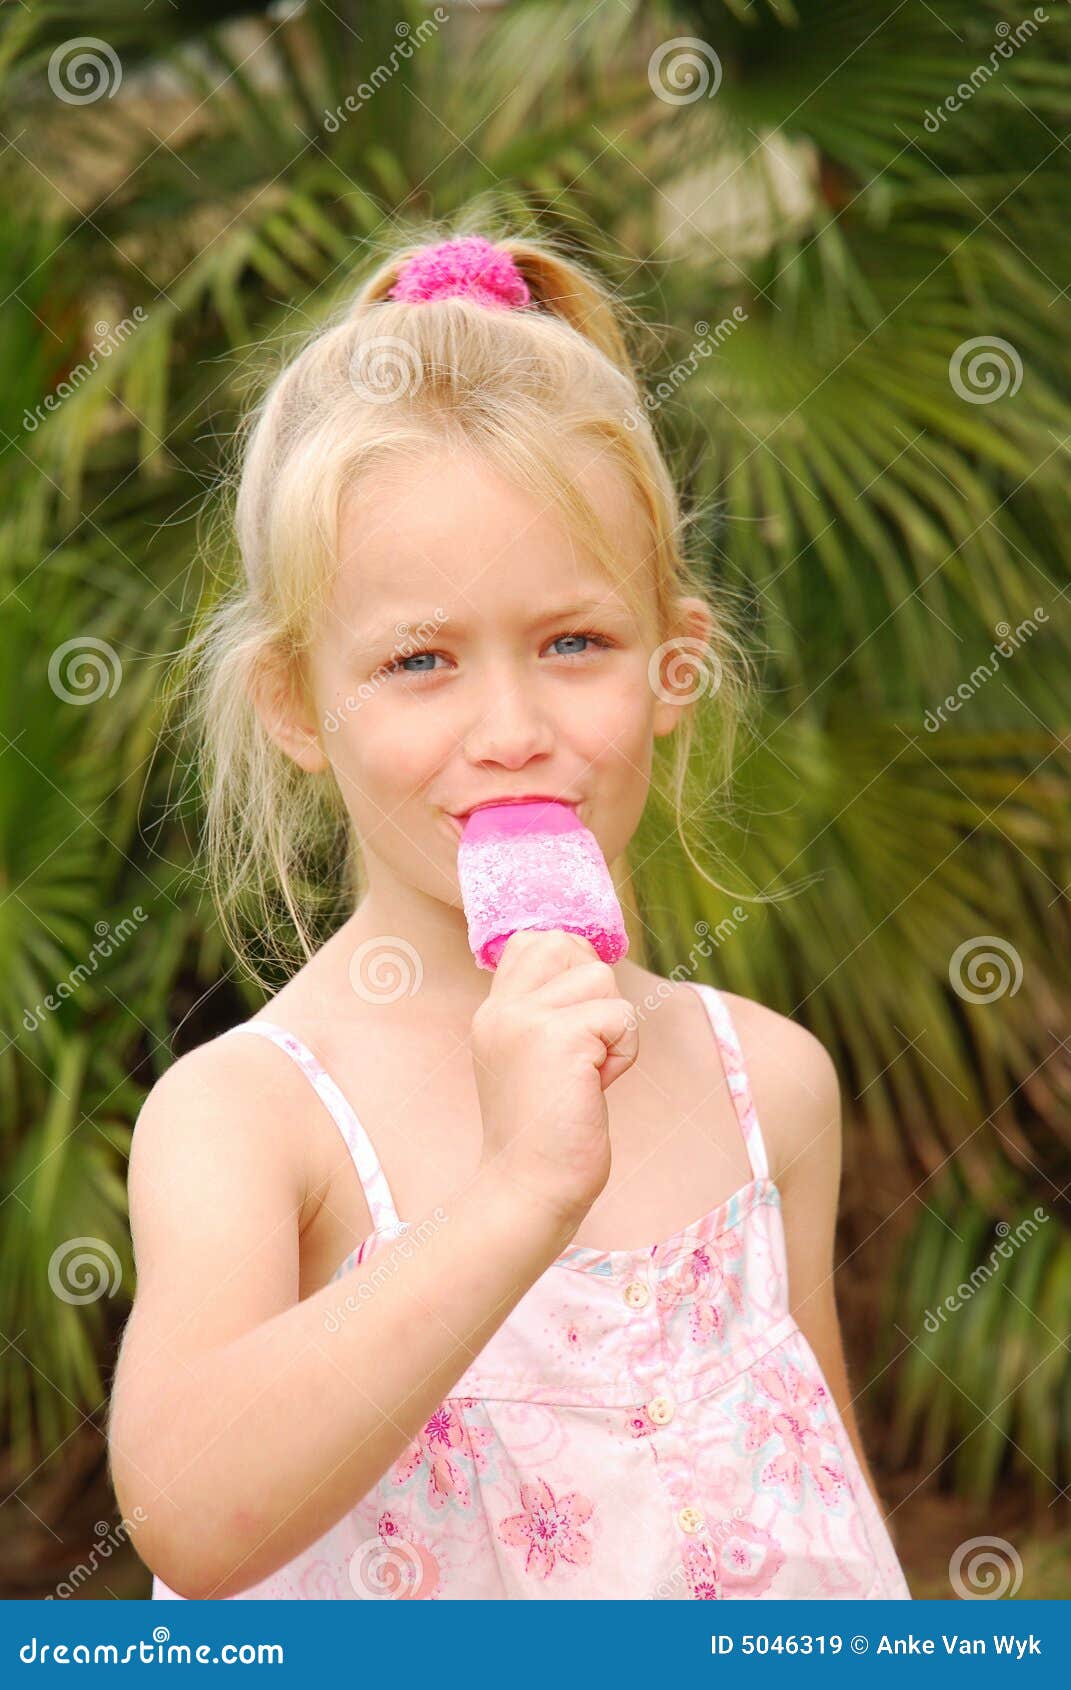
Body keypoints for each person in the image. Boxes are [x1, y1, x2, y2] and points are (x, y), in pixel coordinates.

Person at [106, 227, 912, 1601]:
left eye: (574, 642)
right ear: (300, 704)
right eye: (420, 660)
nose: (512, 728)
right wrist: (516, 1194)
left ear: (675, 663)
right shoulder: (250, 1117)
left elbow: (828, 1538)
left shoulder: (771, 1083)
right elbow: (188, 1511)